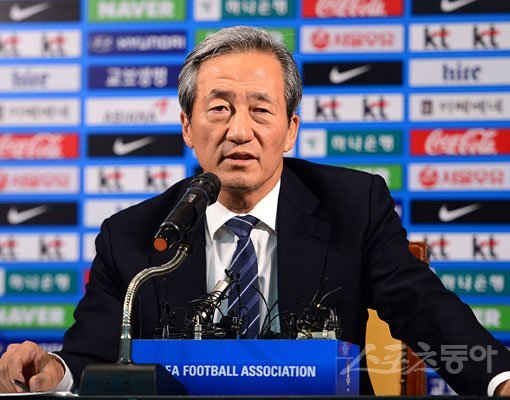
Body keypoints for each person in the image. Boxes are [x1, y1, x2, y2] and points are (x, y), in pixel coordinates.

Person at [1, 25, 510, 395]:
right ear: (187, 126)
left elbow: (423, 309)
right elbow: (91, 357)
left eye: (261, 110)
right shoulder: (134, 234)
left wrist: (499, 378)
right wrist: (51, 372)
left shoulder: (354, 206)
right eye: (219, 108)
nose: (239, 131)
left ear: (290, 129)